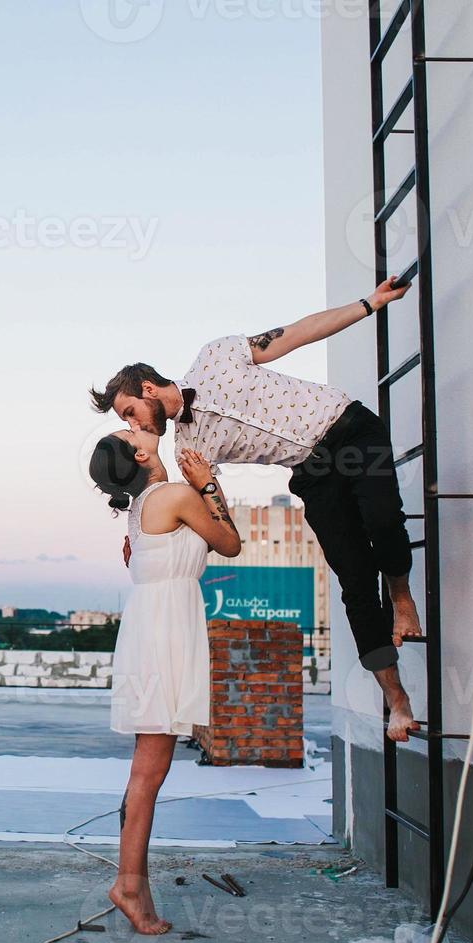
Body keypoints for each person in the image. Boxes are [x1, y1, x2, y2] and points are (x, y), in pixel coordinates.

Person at [89, 275, 423, 742]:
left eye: (128, 412)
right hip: (313, 469)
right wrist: (154, 534)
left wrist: (369, 304)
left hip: (348, 428)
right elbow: (215, 517)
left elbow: (298, 332)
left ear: (147, 389)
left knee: (383, 519)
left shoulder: (216, 357)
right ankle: (397, 700)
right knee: (351, 574)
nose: (132, 423)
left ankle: (403, 599)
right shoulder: (188, 446)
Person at [87, 429, 241, 935]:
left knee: (146, 771)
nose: (139, 427)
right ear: (138, 454)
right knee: (149, 774)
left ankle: (133, 883)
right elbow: (231, 544)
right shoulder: (174, 495)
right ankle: (129, 886)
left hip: (151, 626)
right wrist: (209, 484)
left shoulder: (142, 505)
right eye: (129, 429)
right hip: (165, 633)